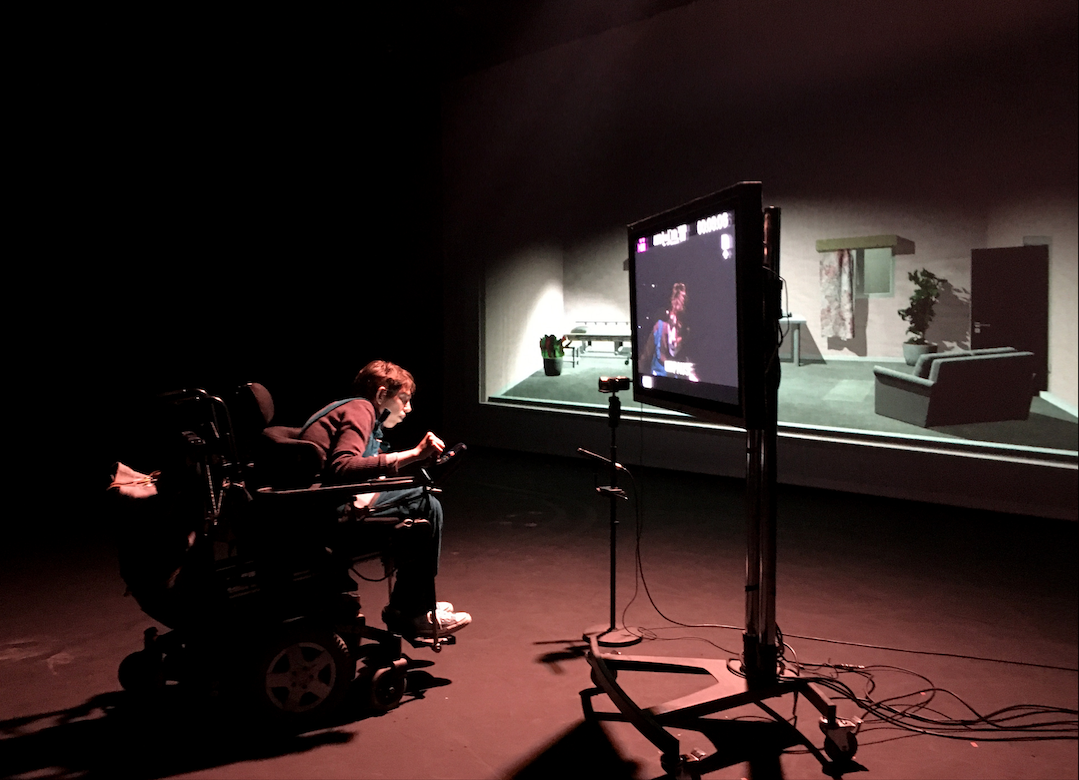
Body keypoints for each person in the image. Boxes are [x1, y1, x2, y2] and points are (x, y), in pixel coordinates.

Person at [300, 360, 471, 639]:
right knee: (426, 504)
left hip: (325, 503)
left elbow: (364, 468)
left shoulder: (353, 411)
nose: (408, 408)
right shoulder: (361, 409)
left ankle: (411, 603)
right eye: (403, 399)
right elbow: (343, 467)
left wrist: (413, 462)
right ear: (381, 395)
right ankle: (413, 610)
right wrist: (413, 454)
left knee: (421, 497)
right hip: (329, 511)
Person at [640, 282, 694, 378]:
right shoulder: (659, 327)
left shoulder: (687, 332)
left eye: (679, 324)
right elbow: (645, 358)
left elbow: (691, 365)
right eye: (673, 317)